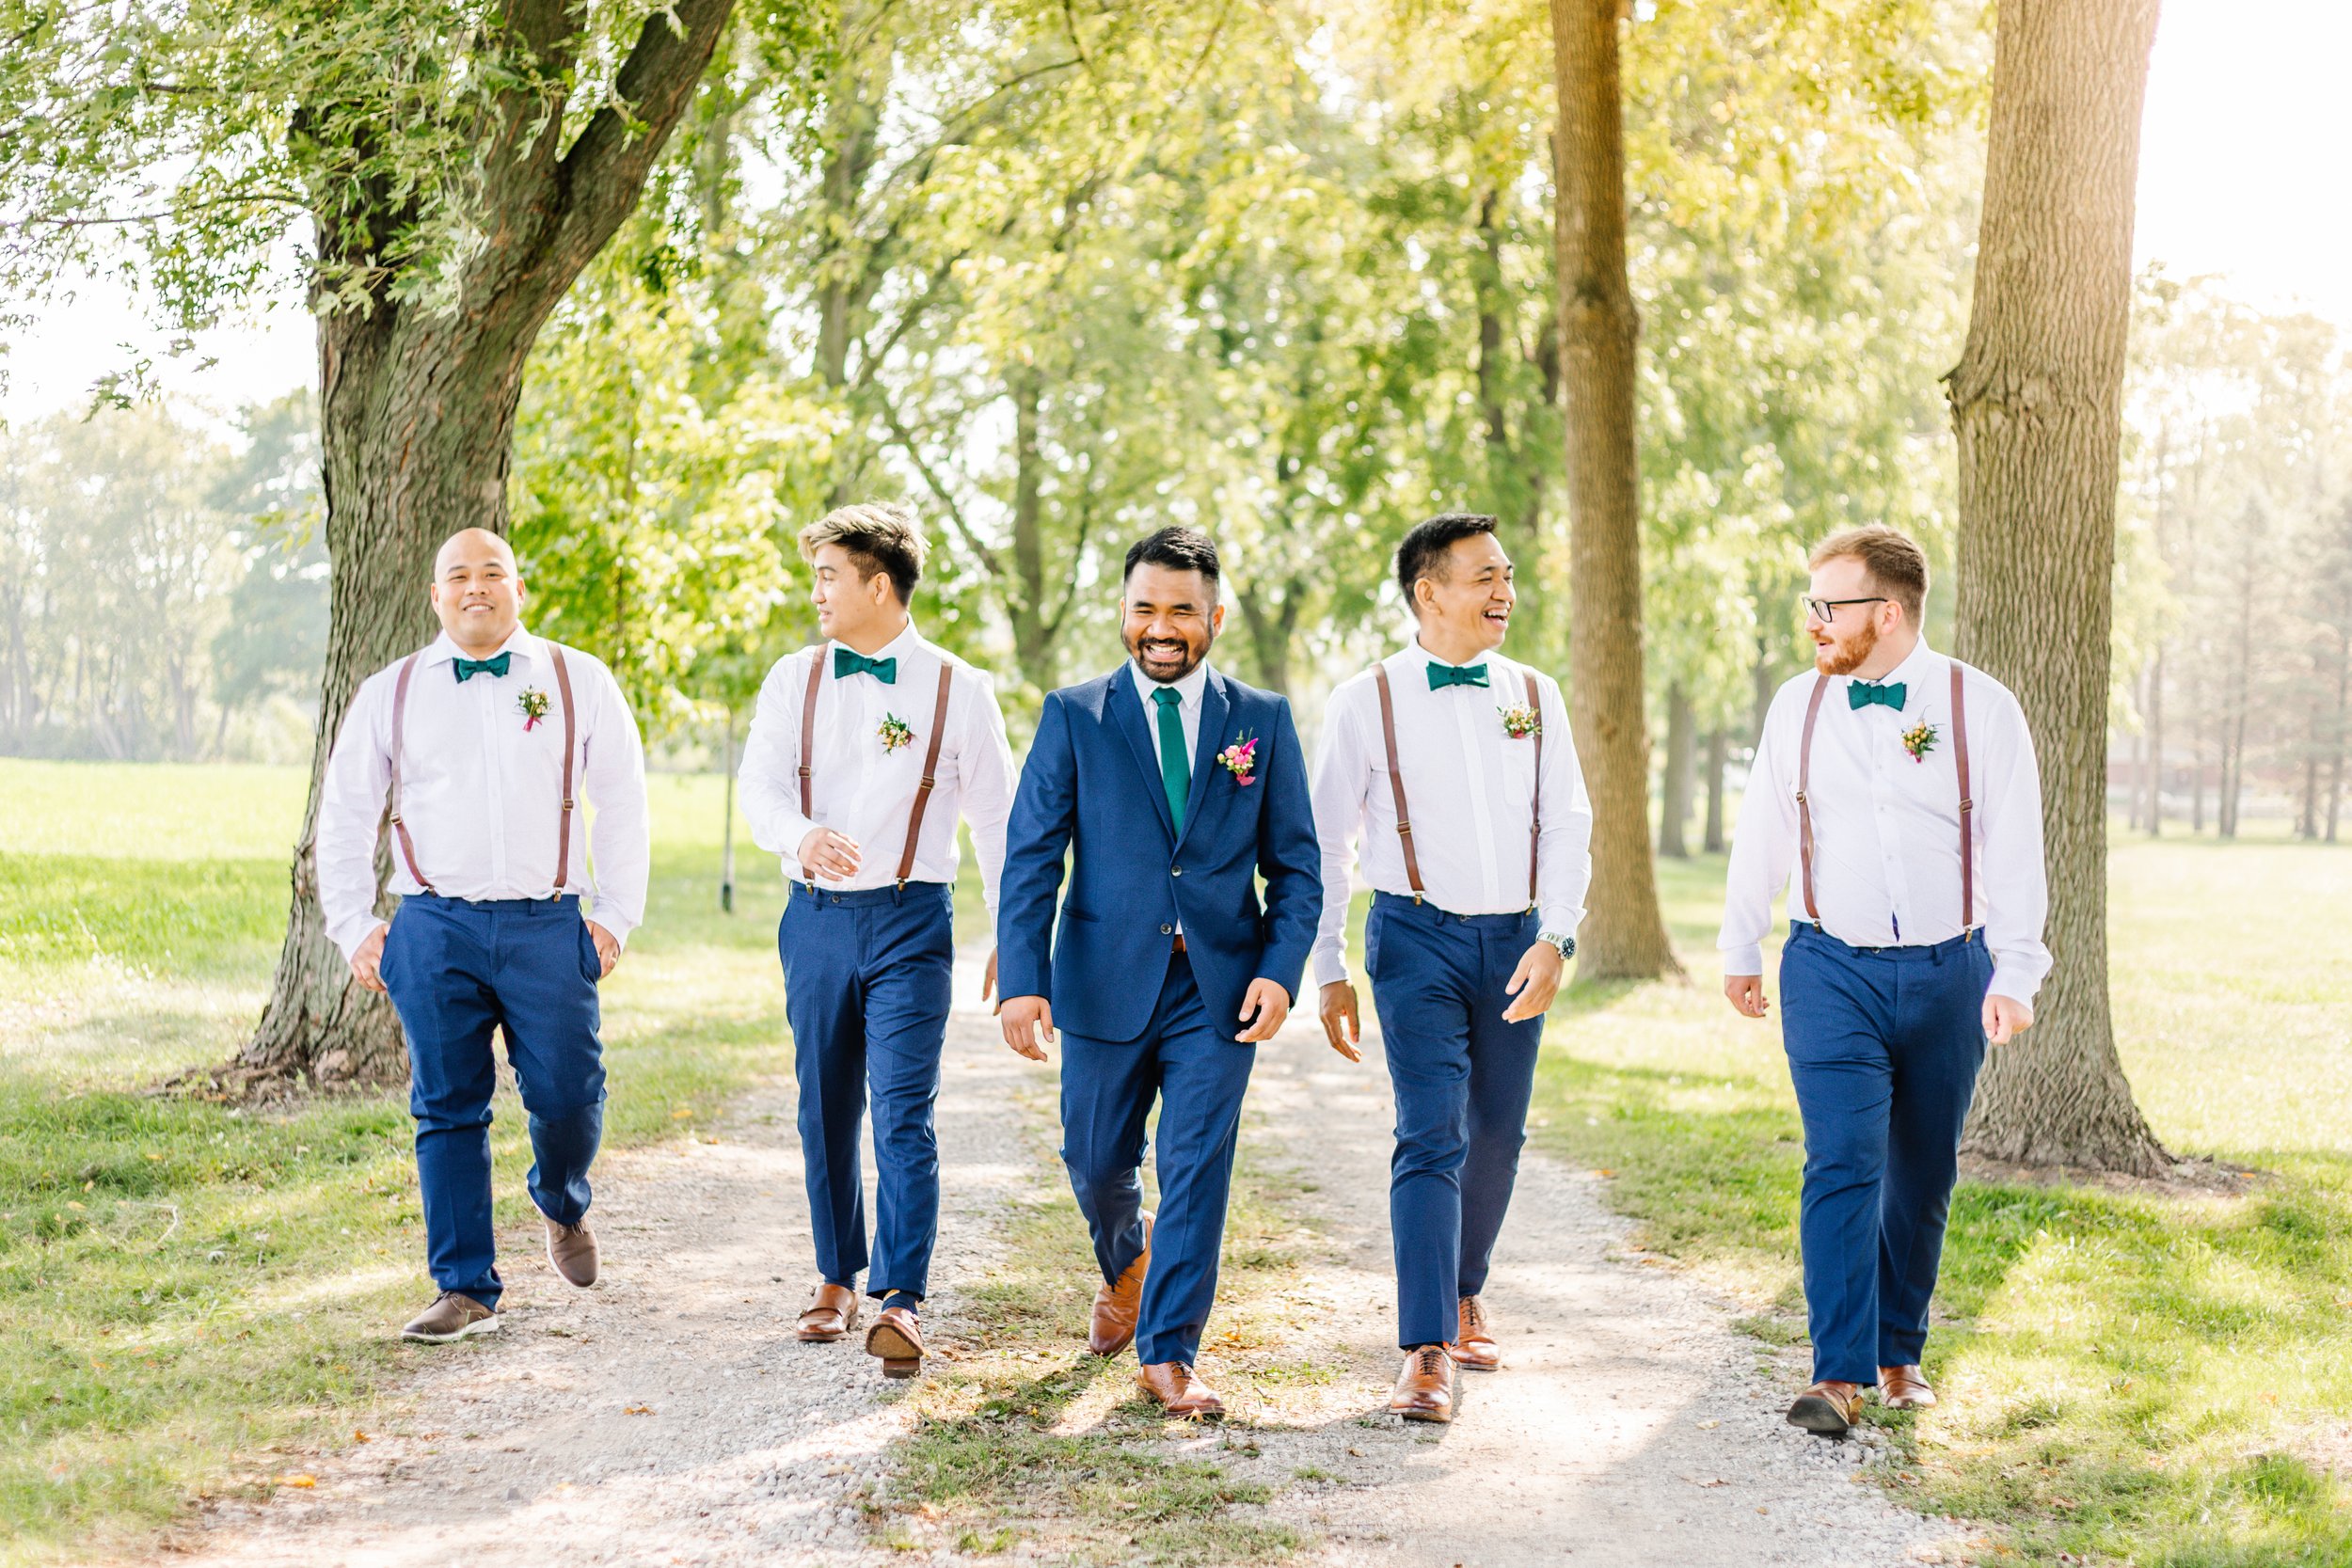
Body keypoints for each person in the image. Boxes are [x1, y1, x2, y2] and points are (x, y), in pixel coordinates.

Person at [1720, 524, 2047, 1436]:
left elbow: (2014, 846)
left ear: (1888, 611)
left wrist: (2015, 969)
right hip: (1828, 965)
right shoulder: (1799, 705)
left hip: (1952, 968)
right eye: (1810, 604)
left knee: (1922, 1168)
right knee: (1841, 1159)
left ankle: (1900, 1348)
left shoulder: (1979, 708)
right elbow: (1763, 831)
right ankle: (1837, 1374)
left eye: (1830, 605)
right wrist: (1739, 945)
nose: (1813, 622)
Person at [995, 526, 1321, 1419]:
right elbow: (1032, 856)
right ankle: (1128, 1266)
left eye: (1182, 609)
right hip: (1103, 978)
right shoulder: (1074, 715)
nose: (1162, 626)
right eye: (1146, 607)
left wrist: (1282, 969)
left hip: (1220, 988)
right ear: (1125, 613)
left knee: (1195, 1162)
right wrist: (1024, 977)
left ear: (1215, 616)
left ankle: (1168, 1349)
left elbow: (1296, 867)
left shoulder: (1262, 720)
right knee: (1095, 1159)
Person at [318, 528, 648, 1343]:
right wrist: (355, 925)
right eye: (457, 575)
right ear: (435, 596)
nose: (475, 587)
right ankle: (464, 1286)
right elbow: (345, 813)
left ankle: (562, 1196)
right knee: (447, 1106)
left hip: (548, 923)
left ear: (518, 588)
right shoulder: (390, 692)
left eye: (491, 572)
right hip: (434, 925)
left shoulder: (578, 680)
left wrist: (613, 914)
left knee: (570, 1095)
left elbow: (625, 798)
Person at [1311, 513, 1593, 1423]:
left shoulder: (1536, 694)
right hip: (1414, 936)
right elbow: (1327, 845)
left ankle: (1466, 1285)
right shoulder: (1365, 699)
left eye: (1507, 574)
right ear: (1429, 593)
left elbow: (1568, 821)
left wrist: (1559, 935)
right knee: (1430, 1128)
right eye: (1483, 576)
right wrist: (1329, 965)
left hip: (1516, 938)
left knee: (1498, 1131)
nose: (1504, 590)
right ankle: (1424, 1346)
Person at [739, 502, 1016, 1381]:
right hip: (815, 916)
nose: (815, 591)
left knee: (904, 1107)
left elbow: (998, 823)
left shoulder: (958, 688)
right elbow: (759, 787)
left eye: (828, 574)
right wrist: (800, 835)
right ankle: (834, 1273)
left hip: (910, 919)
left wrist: (1012, 932)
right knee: (824, 1102)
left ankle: (902, 1298)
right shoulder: (795, 677)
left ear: (878, 584)